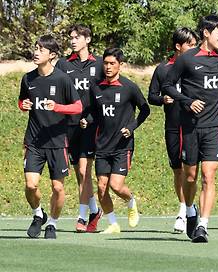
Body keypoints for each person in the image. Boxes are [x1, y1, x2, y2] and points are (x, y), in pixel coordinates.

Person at [162, 15, 218, 242]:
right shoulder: (187, 59)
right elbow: (167, 84)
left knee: (208, 176)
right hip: (190, 127)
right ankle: (190, 209)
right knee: (190, 176)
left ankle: (203, 225)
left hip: (214, 126)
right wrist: (186, 101)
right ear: (206, 32)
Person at [20, 35, 82, 239]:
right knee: (31, 185)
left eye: (41, 49)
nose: (36, 52)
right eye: (35, 48)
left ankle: (52, 224)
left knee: (58, 187)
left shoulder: (62, 79)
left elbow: (77, 107)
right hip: (34, 141)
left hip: (57, 142)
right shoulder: (27, 78)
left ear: (52, 55)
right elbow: (22, 101)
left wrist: (58, 107)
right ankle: (38, 214)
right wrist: (23, 106)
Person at [85, 48, 150, 234]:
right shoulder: (96, 87)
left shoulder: (129, 87)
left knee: (116, 185)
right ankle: (113, 223)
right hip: (102, 145)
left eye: (112, 63)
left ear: (120, 65)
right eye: (105, 63)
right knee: (102, 187)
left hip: (122, 145)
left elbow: (145, 110)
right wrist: (86, 120)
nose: (108, 67)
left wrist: (131, 127)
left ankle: (131, 201)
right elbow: (93, 113)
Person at [148, 27, 198, 233]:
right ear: (178, 46)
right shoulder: (162, 69)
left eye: (196, 45)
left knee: (191, 171)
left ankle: (188, 211)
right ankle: (183, 209)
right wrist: (162, 99)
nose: (194, 48)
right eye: (190, 45)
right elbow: (151, 96)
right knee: (178, 170)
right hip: (172, 127)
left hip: (193, 127)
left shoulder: (197, 67)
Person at [54, 24, 104, 232]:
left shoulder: (100, 64)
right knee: (78, 173)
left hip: (90, 125)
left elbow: (105, 95)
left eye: (77, 37)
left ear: (88, 40)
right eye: (71, 37)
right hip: (68, 125)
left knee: (85, 171)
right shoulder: (63, 64)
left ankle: (82, 217)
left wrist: (91, 118)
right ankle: (94, 209)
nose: (73, 41)